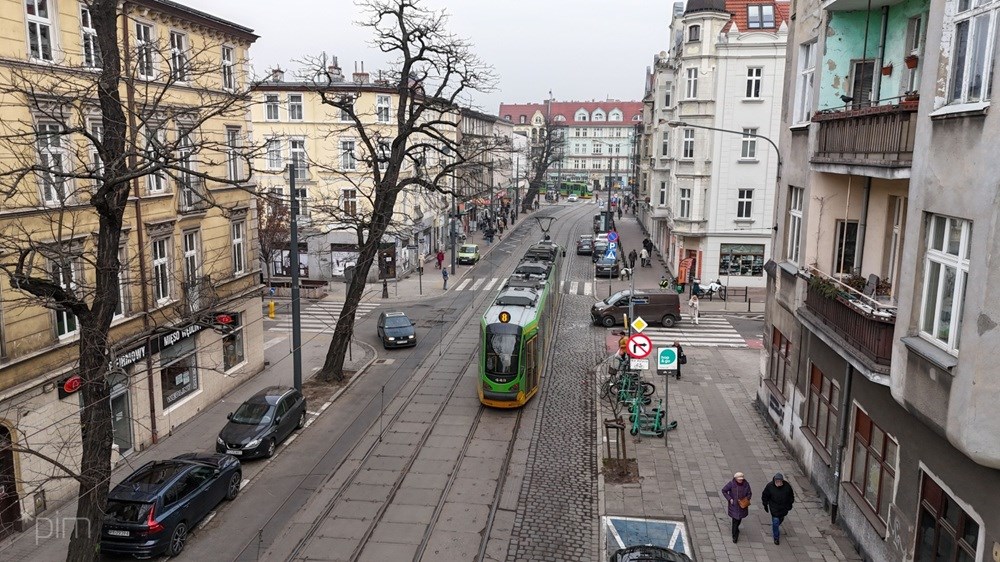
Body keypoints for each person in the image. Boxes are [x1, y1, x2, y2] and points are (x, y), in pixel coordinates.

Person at [761, 473, 795, 545]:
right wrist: (765, 504)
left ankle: (775, 526)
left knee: (780, 519)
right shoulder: (770, 486)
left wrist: (790, 504)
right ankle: (776, 538)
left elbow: (791, 496)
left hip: (783, 508)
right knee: (776, 521)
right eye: (777, 481)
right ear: (775, 481)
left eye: (780, 481)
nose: (779, 483)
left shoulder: (787, 486)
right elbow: (765, 495)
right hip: (774, 508)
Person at [722, 472, 752, 544]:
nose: (741, 481)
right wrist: (730, 499)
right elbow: (724, 490)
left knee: (739, 519)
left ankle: (736, 530)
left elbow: (749, 493)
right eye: (739, 479)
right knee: (735, 521)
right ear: (735, 479)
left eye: (741, 479)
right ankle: (735, 536)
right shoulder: (731, 484)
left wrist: (747, 499)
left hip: (742, 506)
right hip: (734, 506)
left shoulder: (746, 484)